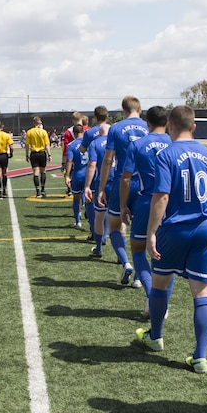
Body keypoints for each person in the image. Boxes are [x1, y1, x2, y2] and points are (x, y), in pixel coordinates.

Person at [136, 105, 207, 373]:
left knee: (161, 284)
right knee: (202, 292)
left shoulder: (166, 155)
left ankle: (156, 337)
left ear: (171, 125)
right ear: (194, 126)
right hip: (204, 228)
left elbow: (161, 196)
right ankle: (200, 356)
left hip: (174, 229)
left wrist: (151, 232)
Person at [121, 106, 172, 297]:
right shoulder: (174, 142)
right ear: (167, 123)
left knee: (138, 249)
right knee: (166, 256)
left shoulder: (138, 145)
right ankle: (161, 302)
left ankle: (152, 298)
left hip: (146, 204)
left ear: (147, 123)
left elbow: (126, 178)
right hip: (171, 205)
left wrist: (123, 205)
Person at [99, 96, 149, 286]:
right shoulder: (148, 126)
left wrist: (102, 187)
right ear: (140, 109)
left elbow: (108, 160)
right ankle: (138, 276)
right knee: (141, 230)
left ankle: (126, 263)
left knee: (114, 226)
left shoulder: (116, 128)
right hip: (145, 183)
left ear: (123, 110)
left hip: (122, 181)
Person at [84, 119, 111, 257]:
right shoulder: (118, 142)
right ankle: (121, 254)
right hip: (117, 182)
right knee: (118, 219)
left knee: (99, 216)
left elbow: (92, 165)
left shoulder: (95, 143)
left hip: (101, 181)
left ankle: (99, 247)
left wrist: (87, 185)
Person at [63, 123, 88, 230]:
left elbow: (69, 161)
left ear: (74, 133)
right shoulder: (90, 143)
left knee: (76, 199)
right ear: (83, 131)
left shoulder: (71, 145)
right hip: (89, 174)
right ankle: (91, 222)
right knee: (90, 199)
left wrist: (67, 175)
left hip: (77, 174)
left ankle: (78, 222)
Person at [24, 116, 52, 197]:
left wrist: (26, 155)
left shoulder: (29, 132)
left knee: (35, 173)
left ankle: (37, 191)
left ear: (33, 123)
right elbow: (47, 144)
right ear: (40, 123)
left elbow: (27, 145)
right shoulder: (43, 132)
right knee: (43, 171)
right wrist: (49, 154)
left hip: (33, 153)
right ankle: (43, 189)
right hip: (42, 153)